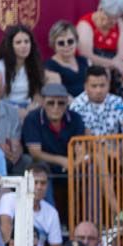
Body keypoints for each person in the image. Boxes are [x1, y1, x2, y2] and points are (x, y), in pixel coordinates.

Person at [22, 83, 85, 216]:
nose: (56, 107)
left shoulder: (75, 118)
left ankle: (90, 220)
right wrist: (61, 160)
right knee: (42, 170)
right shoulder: (32, 118)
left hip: (70, 164)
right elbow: (35, 152)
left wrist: (77, 163)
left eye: (61, 103)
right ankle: (49, 219)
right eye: (51, 103)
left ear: (67, 102)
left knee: (89, 169)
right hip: (45, 163)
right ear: (42, 102)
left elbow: (80, 149)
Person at [0, 163, 62, 246]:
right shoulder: (9, 199)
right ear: (24, 183)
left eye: (43, 183)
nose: (39, 187)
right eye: (34, 182)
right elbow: (6, 228)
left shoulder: (52, 212)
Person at [77, 0, 123, 80]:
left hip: (115, 68)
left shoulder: (119, 23)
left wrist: (114, 66)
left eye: (116, 17)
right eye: (110, 17)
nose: (113, 22)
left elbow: (122, 54)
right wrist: (113, 64)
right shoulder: (85, 25)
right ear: (100, 9)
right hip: (93, 69)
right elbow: (86, 55)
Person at [70, 66, 123, 137]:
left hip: (114, 144)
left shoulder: (117, 102)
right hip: (89, 143)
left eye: (102, 85)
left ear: (108, 85)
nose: (98, 90)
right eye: (94, 86)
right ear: (86, 86)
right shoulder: (77, 105)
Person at [0, 25, 43, 111]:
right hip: (5, 108)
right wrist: (16, 110)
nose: (24, 46)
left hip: (28, 107)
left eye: (26, 42)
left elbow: (37, 94)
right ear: (10, 45)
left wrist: (33, 107)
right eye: (18, 42)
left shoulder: (34, 65)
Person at [44, 21, 91, 99]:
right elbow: (58, 95)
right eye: (61, 43)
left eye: (70, 41)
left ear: (76, 42)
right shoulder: (50, 67)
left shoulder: (85, 61)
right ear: (53, 45)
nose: (66, 45)